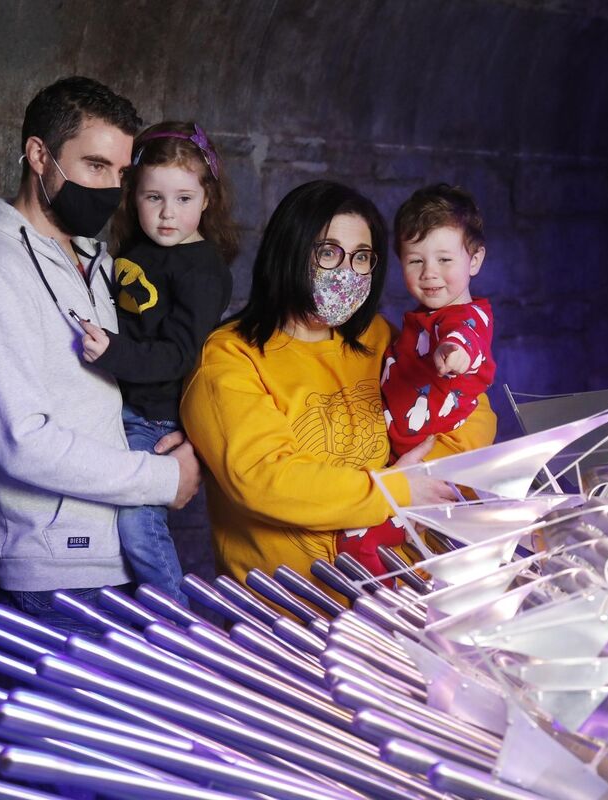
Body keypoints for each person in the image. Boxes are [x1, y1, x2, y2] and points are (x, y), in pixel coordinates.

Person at [0, 76, 201, 634]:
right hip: (55, 577)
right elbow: (20, 441)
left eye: (121, 173)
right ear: (39, 155)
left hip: (116, 553)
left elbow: (110, 390)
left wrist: (169, 435)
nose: (110, 188)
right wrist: (161, 478)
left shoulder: (94, 257)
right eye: (95, 166)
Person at [181, 180, 496, 600]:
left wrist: (424, 475)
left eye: (361, 257)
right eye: (328, 253)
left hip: (402, 602)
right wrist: (396, 490)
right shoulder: (229, 357)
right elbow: (266, 479)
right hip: (291, 615)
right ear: (290, 250)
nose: (346, 272)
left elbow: (470, 409)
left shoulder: (378, 337)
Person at [77, 121, 236, 604]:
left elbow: (178, 354)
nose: (168, 213)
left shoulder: (203, 269)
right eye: (154, 198)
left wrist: (113, 352)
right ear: (133, 198)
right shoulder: (137, 250)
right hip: (114, 406)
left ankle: (176, 621)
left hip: (155, 417)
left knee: (138, 523)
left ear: (206, 200)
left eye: (184, 199)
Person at [336, 184, 496, 578]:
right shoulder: (421, 320)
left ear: (475, 260)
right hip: (400, 460)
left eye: (444, 259)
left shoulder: (464, 319)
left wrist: (453, 353)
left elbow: (465, 340)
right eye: (415, 261)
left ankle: (380, 603)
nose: (430, 273)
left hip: (430, 471)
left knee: (357, 541)